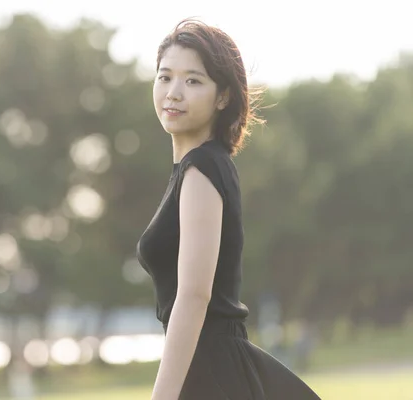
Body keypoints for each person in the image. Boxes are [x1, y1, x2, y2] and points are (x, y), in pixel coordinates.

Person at [136, 18, 321, 399]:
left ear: (223, 97)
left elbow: (194, 295)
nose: (173, 92)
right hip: (208, 370)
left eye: (193, 81)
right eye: (164, 77)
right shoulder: (194, 169)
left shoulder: (204, 167)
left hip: (214, 376)